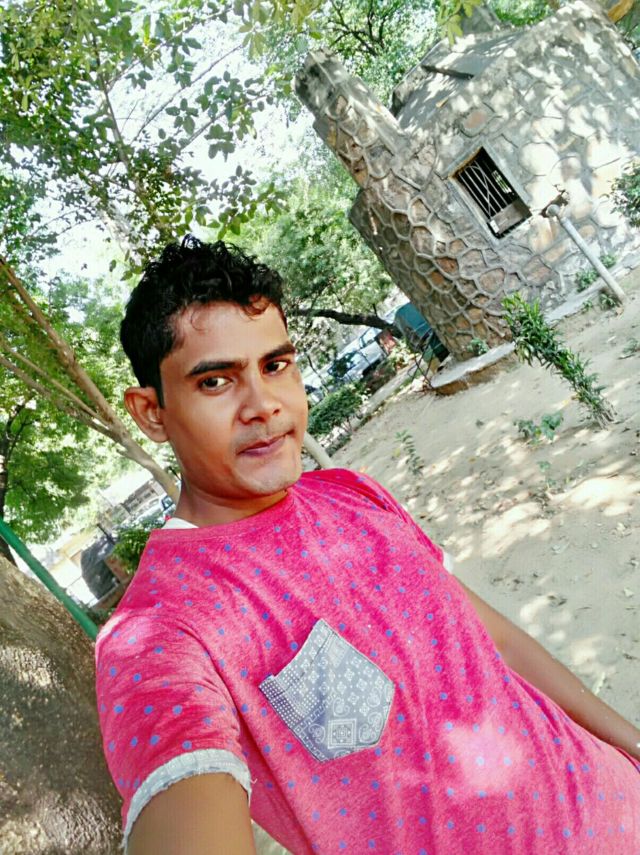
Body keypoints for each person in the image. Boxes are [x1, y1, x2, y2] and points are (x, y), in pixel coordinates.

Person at [96, 236, 640, 855]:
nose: (263, 405)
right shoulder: (161, 631)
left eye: (275, 366)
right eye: (216, 381)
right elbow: (183, 790)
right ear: (152, 412)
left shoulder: (351, 493)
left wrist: (632, 746)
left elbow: (495, 642)